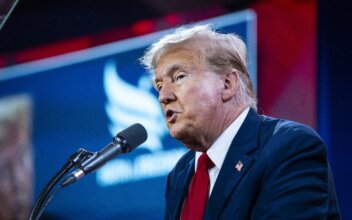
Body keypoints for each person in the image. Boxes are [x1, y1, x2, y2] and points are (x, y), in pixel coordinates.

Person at [140, 24, 340, 220]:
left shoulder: (290, 147)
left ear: (227, 84)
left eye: (179, 76)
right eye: (159, 85)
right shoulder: (181, 173)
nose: (163, 96)